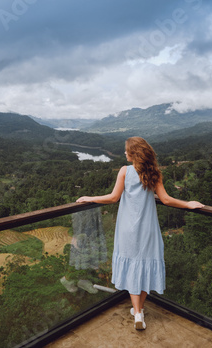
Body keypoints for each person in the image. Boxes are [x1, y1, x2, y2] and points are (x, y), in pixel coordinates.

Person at [76, 136, 204, 330]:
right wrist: (188, 204)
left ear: (134, 153)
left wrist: (90, 198)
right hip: (148, 228)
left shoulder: (124, 171)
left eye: (126, 150)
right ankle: (139, 310)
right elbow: (167, 200)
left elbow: (113, 198)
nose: (124, 153)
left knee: (133, 266)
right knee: (145, 265)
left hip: (127, 228)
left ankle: (137, 313)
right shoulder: (154, 173)